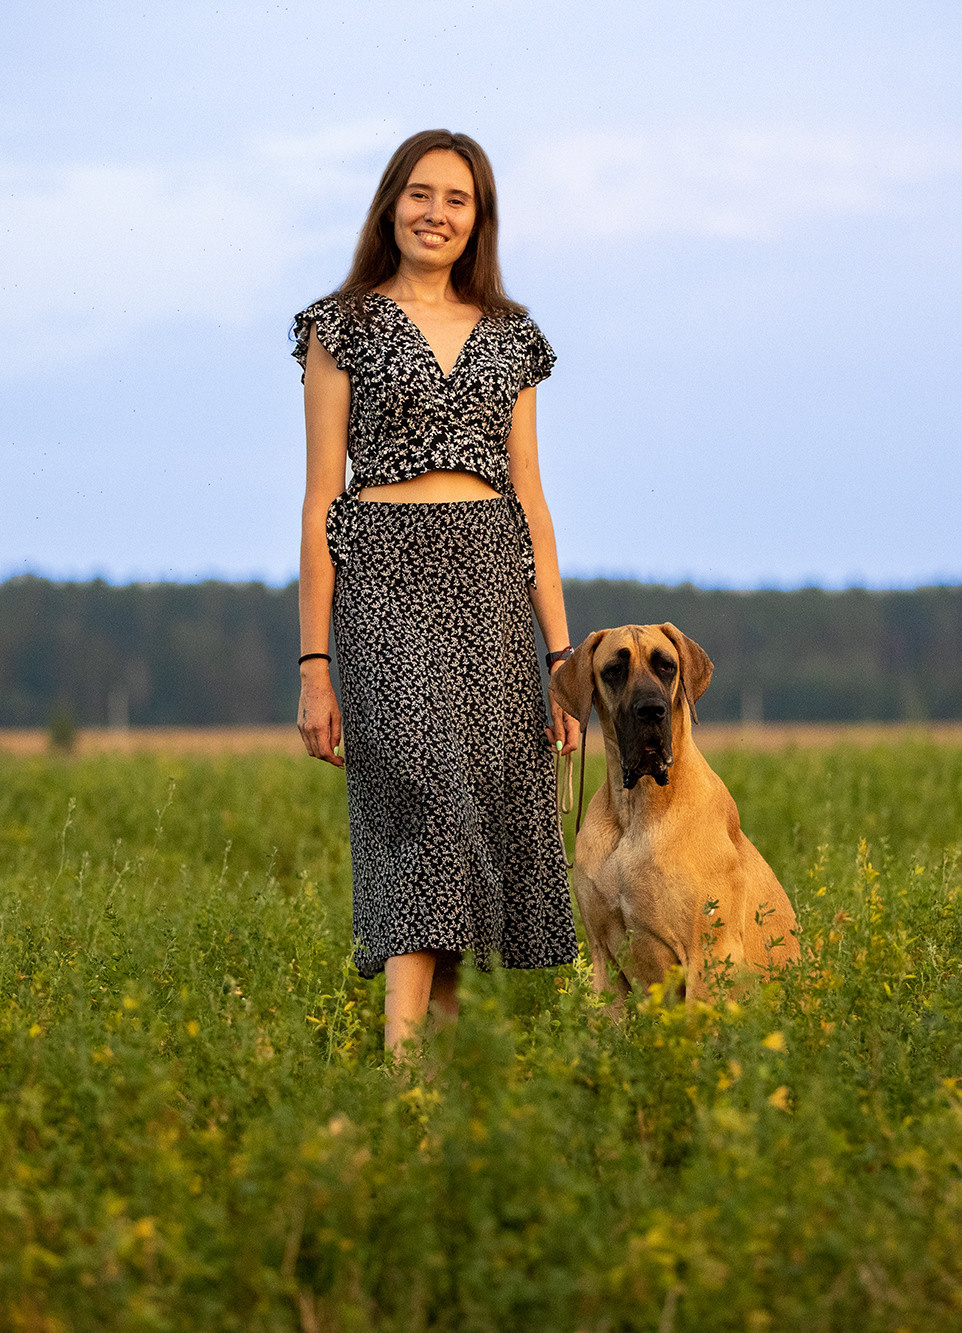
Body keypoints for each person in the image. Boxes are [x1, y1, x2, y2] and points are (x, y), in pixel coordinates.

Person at [291, 129, 583, 1063]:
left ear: (478, 219)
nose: (436, 213)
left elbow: (531, 498)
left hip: (493, 586)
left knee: (475, 829)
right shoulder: (338, 326)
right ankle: (404, 1078)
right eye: (420, 194)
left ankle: (439, 1090)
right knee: (428, 812)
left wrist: (563, 658)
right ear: (390, 205)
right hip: (381, 579)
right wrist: (314, 665)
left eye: (456, 200)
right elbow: (318, 497)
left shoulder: (511, 339)